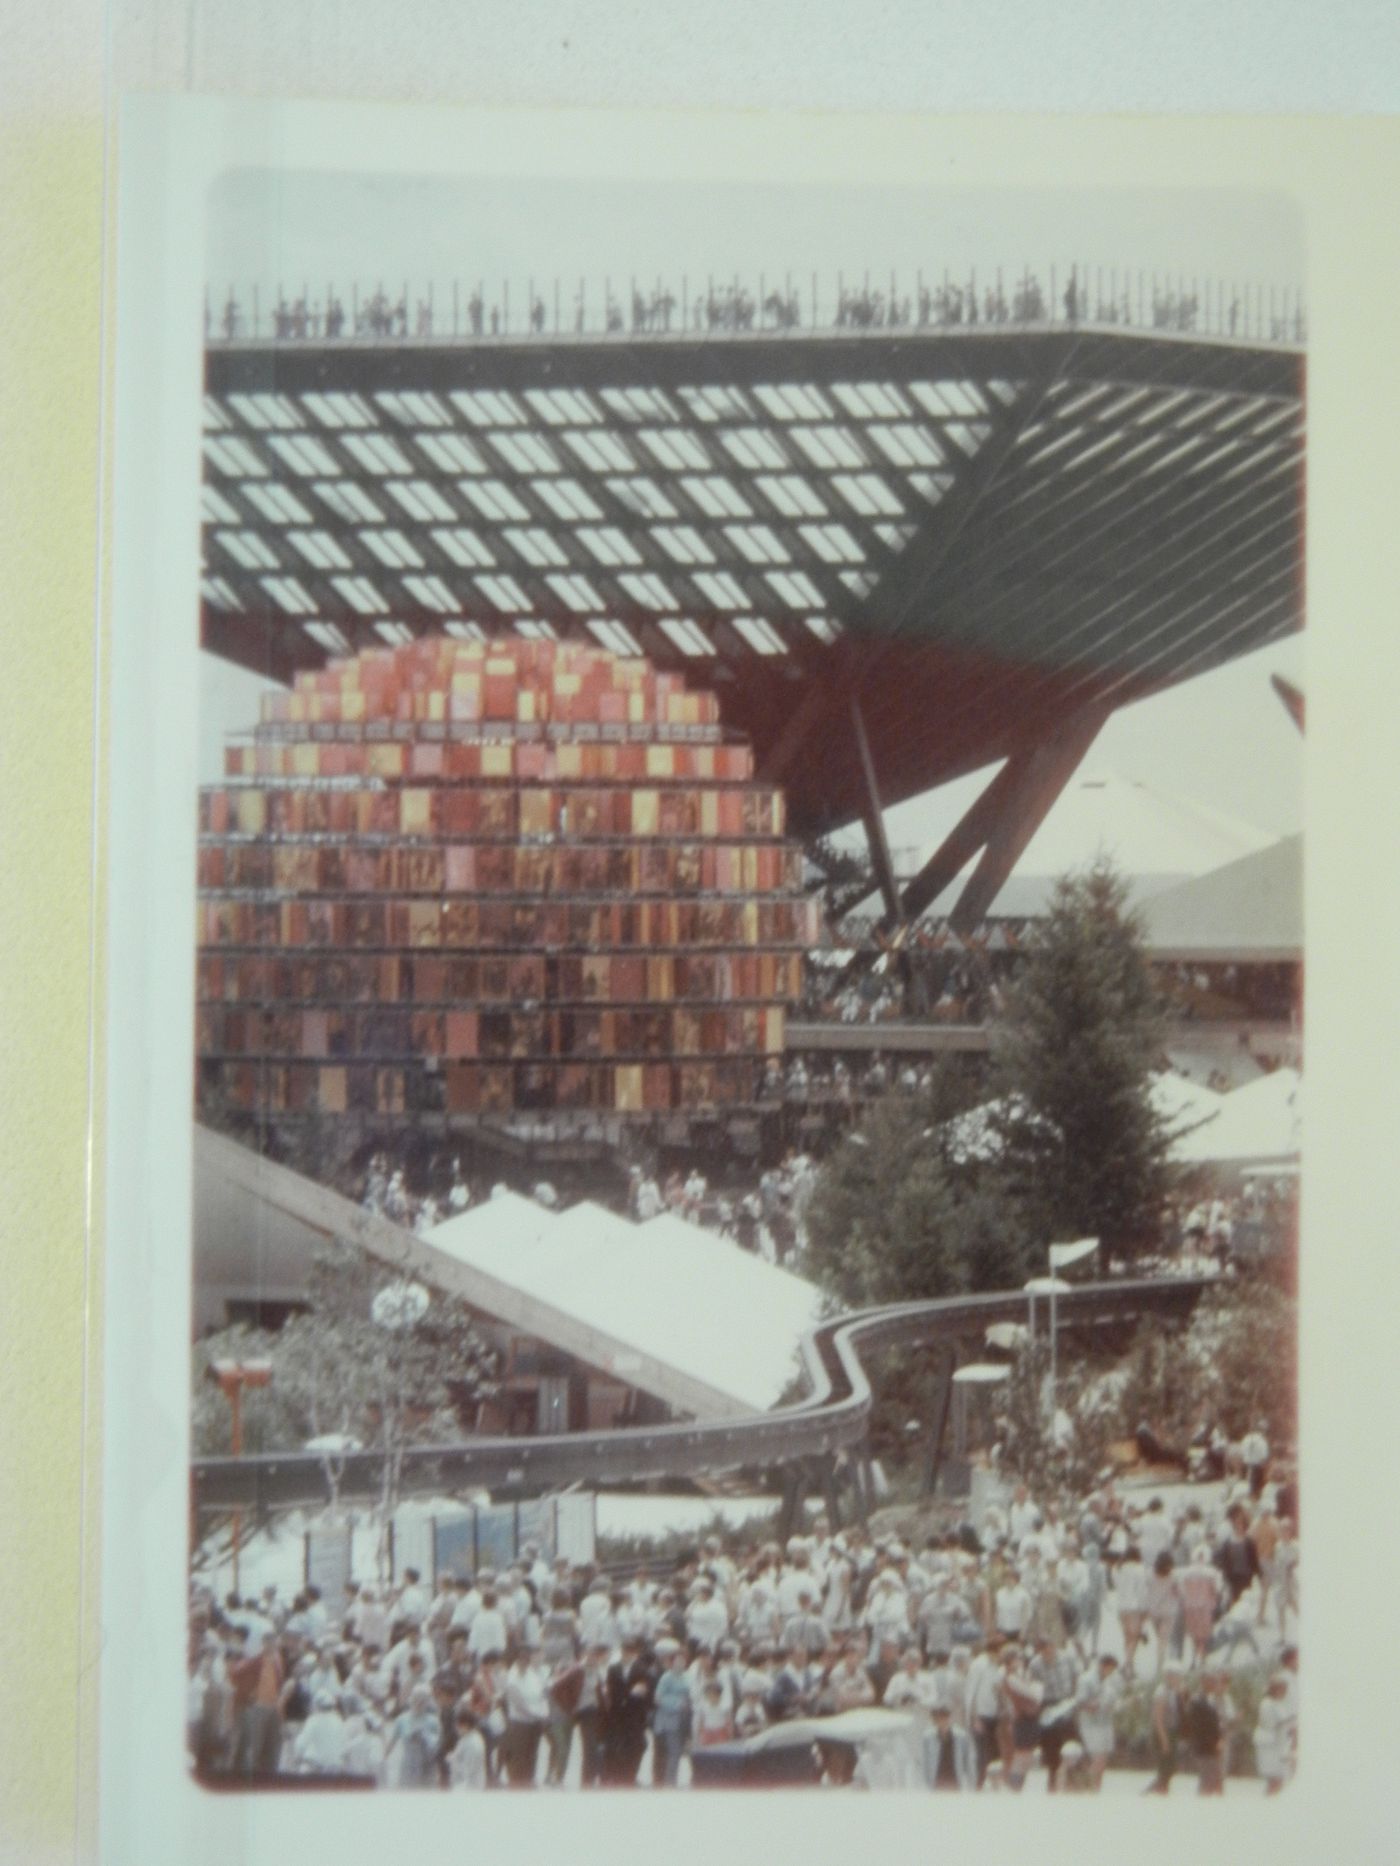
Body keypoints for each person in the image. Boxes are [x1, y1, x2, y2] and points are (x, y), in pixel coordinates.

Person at [650, 1646, 693, 1785]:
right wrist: (677, 1704)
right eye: (678, 1660)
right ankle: (670, 1782)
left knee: (680, 1751)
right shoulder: (666, 1677)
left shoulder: (687, 1676)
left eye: (683, 1660)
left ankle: (672, 1780)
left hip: (684, 1718)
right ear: (672, 1662)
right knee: (674, 1752)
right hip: (669, 1719)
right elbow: (658, 1698)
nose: (681, 1663)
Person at [1146, 1664, 1186, 1793]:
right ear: (1169, 1676)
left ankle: (1161, 1789)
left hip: (1172, 1732)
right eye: (1177, 1676)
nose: (1179, 1679)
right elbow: (1158, 1718)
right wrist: (1164, 1740)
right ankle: (1157, 1790)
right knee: (1164, 1767)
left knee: (1171, 1767)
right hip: (1162, 1733)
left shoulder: (1174, 1692)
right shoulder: (1161, 1692)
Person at [1253, 1671, 1294, 1794]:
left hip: (1280, 1745)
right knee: (1274, 1780)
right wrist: (1287, 1722)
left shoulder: (1279, 1703)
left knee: (1280, 1780)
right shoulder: (1266, 1703)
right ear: (1274, 1689)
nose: (1285, 1691)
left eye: (1285, 1688)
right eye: (1282, 1688)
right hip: (1269, 1746)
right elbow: (1269, 1724)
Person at [923, 1705, 975, 1790]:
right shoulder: (928, 1738)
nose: (941, 1722)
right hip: (937, 1782)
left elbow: (968, 1761)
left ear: (948, 1718)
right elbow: (925, 1763)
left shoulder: (961, 1737)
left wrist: (970, 1783)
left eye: (943, 1718)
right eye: (937, 1719)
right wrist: (927, 1784)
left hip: (954, 1780)